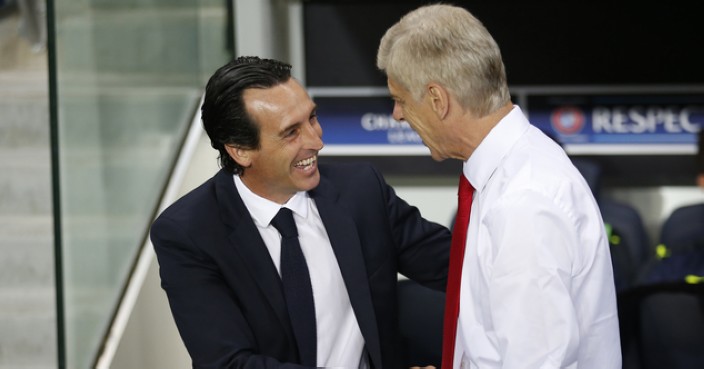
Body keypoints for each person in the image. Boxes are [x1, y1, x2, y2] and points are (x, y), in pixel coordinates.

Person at [150, 56, 452, 369]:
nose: (316, 140)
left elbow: (456, 266)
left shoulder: (360, 191)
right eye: (291, 132)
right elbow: (229, 363)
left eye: (312, 118)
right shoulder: (189, 233)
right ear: (240, 150)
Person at [377, 4, 621, 369]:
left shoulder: (522, 201)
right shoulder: (512, 170)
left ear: (437, 99)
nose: (396, 114)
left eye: (400, 100)